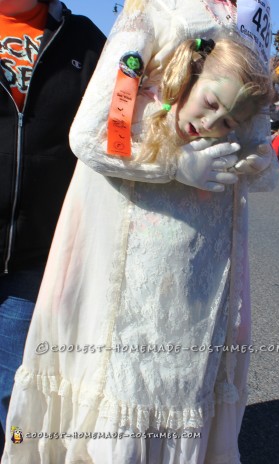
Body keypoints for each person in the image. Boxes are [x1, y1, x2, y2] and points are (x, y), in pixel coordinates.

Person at [2, 1, 278, 463]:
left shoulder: (255, 18)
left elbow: (253, 128)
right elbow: (93, 132)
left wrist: (256, 158)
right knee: (124, 397)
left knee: (180, 395)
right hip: (135, 269)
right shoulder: (156, 9)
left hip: (203, 272)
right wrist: (173, 161)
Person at [0, 0, 106, 455]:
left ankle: (16, 452)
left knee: (17, 389)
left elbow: (120, 124)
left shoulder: (85, 39)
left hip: (37, 254)